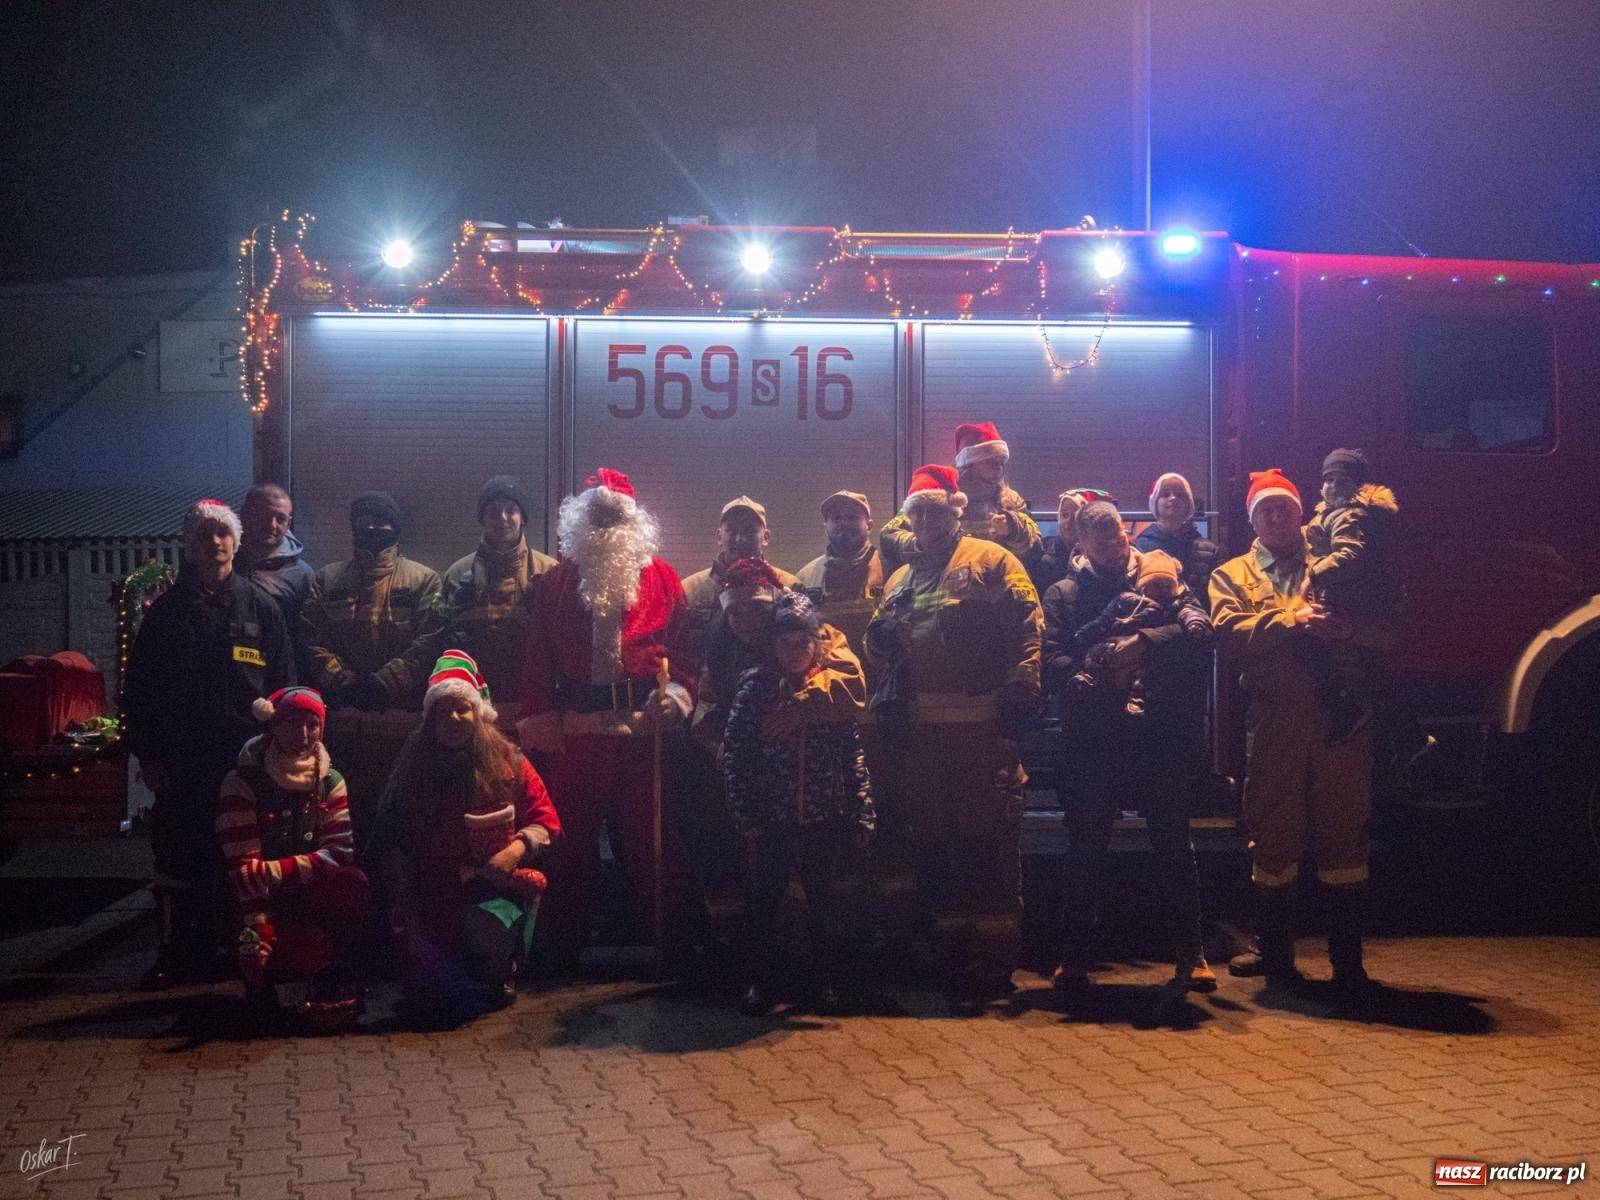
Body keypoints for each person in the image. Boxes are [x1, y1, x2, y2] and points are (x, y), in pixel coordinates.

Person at [865, 464, 1042, 1009]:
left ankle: (988, 972)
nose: (925, 520)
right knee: (936, 848)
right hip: (923, 742)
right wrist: (877, 642)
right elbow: (883, 652)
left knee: (985, 847)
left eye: (935, 511)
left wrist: (1018, 707)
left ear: (954, 512)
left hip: (982, 734)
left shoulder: (993, 561)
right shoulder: (899, 579)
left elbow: (1027, 629)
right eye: (917, 512)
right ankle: (947, 963)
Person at [1210, 468, 1382, 1002]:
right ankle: (1278, 963)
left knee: (1344, 837)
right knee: (1273, 836)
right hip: (1276, 720)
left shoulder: (1341, 563)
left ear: (1301, 512)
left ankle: (1348, 965)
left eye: (1285, 507)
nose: (1278, 516)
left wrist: (1349, 630)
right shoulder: (1230, 574)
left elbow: (1393, 625)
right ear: (1252, 521)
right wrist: (1291, 619)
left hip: (1340, 722)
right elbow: (1227, 631)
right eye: (1267, 510)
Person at [518, 469, 696, 970]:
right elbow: (537, 659)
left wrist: (678, 696)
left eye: (615, 516)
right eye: (597, 516)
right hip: (576, 736)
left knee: (653, 839)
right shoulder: (556, 583)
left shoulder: (664, 579)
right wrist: (540, 719)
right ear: (580, 521)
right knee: (567, 843)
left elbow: (682, 654)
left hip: (643, 732)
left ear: (634, 521)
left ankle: (673, 943)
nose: (607, 525)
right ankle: (560, 946)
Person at [1043, 502, 1215, 992]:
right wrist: (1078, 673)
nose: (1114, 549)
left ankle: (1192, 955)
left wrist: (1141, 642)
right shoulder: (1064, 593)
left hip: (1159, 737)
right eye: (1100, 542)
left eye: (1117, 538)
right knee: (1085, 848)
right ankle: (1075, 957)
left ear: (1125, 534)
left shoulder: (1163, 576)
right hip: (1094, 739)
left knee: (1174, 846)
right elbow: (1051, 652)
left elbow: (1197, 632)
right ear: (1080, 544)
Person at [124, 498, 295, 989]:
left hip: (247, 763)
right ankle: (177, 955)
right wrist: (149, 755)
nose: (215, 543)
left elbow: (285, 682)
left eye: (223, 534)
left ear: (236, 544)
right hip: (184, 763)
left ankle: (245, 952)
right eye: (205, 535)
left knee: (242, 859)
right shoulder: (166, 615)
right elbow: (140, 690)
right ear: (191, 546)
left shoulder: (261, 608)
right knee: (181, 860)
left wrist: (282, 750)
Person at [364, 651, 560, 1020]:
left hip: (493, 893)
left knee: (488, 933)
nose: (453, 718)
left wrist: (515, 851)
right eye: (443, 710)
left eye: (462, 709)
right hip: (432, 895)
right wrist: (404, 912)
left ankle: (500, 969)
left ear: (477, 713)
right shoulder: (412, 770)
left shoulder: (511, 762)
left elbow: (544, 820)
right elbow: (391, 844)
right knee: (430, 985)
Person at [723, 590, 875, 1016]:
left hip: (823, 817)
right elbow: (736, 753)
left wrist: (862, 809)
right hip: (771, 817)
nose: (794, 652)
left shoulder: (829, 691)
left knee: (823, 903)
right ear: (773, 645)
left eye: (803, 643)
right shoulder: (755, 689)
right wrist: (745, 811)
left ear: (816, 645)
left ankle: (825, 982)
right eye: (786, 642)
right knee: (766, 903)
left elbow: (852, 753)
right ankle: (762, 982)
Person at [216, 685, 367, 1031]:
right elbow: (243, 870)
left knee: (352, 883)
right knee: (274, 966)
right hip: (257, 901)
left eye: (312, 725)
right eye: (292, 724)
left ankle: (336, 975)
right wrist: (260, 931)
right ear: (273, 726)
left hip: (302, 891)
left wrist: (273, 870)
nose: (303, 735)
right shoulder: (243, 782)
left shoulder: (330, 781)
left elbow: (340, 852)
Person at [301, 491, 445, 838]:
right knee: (341, 823)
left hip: (403, 730)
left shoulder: (425, 580)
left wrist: (385, 683)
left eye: (381, 520)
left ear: (395, 527)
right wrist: (344, 681)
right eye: (365, 520)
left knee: (404, 824)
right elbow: (310, 637)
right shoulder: (326, 580)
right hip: (342, 731)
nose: (373, 527)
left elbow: (431, 640)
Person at [1299, 448, 1401, 742]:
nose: (1332, 486)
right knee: (1368, 670)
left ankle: (1346, 708)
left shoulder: (1349, 515)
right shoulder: (1334, 513)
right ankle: (1407, 733)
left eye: (1340, 481)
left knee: (1311, 645)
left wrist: (1314, 574)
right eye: (1327, 479)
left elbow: (1350, 554)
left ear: (1356, 486)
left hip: (1351, 598)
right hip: (1352, 596)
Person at [439, 475, 557, 725]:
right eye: (492, 511)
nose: (502, 518)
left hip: (535, 711)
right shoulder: (457, 575)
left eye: (511, 510)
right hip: (473, 713)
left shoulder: (550, 573)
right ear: (482, 518)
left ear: (523, 517)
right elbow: (441, 643)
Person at [1063, 550, 1211, 719]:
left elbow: (1193, 615)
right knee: (1099, 652)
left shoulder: (1178, 602)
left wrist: (1194, 624)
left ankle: (1136, 699)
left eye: (1167, 586)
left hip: (1155, 660)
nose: (1161, 591)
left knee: (1145, 673)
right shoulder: (1128, 599)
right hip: (1115, 643)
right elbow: (1104, 618)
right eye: (1155, 585)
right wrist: (1087, 633)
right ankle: (1087, 675)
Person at [680, 496, 798, 665]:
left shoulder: (788, 586)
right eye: (732, 531)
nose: (740, 539)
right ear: (719, 536)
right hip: (705, 689)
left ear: (766, 537)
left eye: (749, 531)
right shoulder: (689, 590)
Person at [792, 490, 886, 659]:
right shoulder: (805, 578)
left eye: (852, 517)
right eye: (836, 518)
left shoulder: (890, 570)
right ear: (826, 526)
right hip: (830, 681)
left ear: (869, 526)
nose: (844, 523)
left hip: (879, 681)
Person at [239, 483, 315, 634]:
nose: (272, 525)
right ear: (245, 515)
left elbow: (307, 634)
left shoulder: (301, 575)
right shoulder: (223, 561)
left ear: (288, 523)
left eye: (280, 518)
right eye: (264, 515)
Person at [1133, 473, 1219, 597]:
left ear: (1189, 504)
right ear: (1155, 503)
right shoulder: (1139, 548)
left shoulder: (1209, 550)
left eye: (1180, 495)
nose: (1173, 498)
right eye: (1165, 494)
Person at [1030, 487, 1115, 593]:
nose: (1068, 521)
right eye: (1064, 515)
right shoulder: (1041, 548)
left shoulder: (1098, 551)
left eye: (1075, 515)